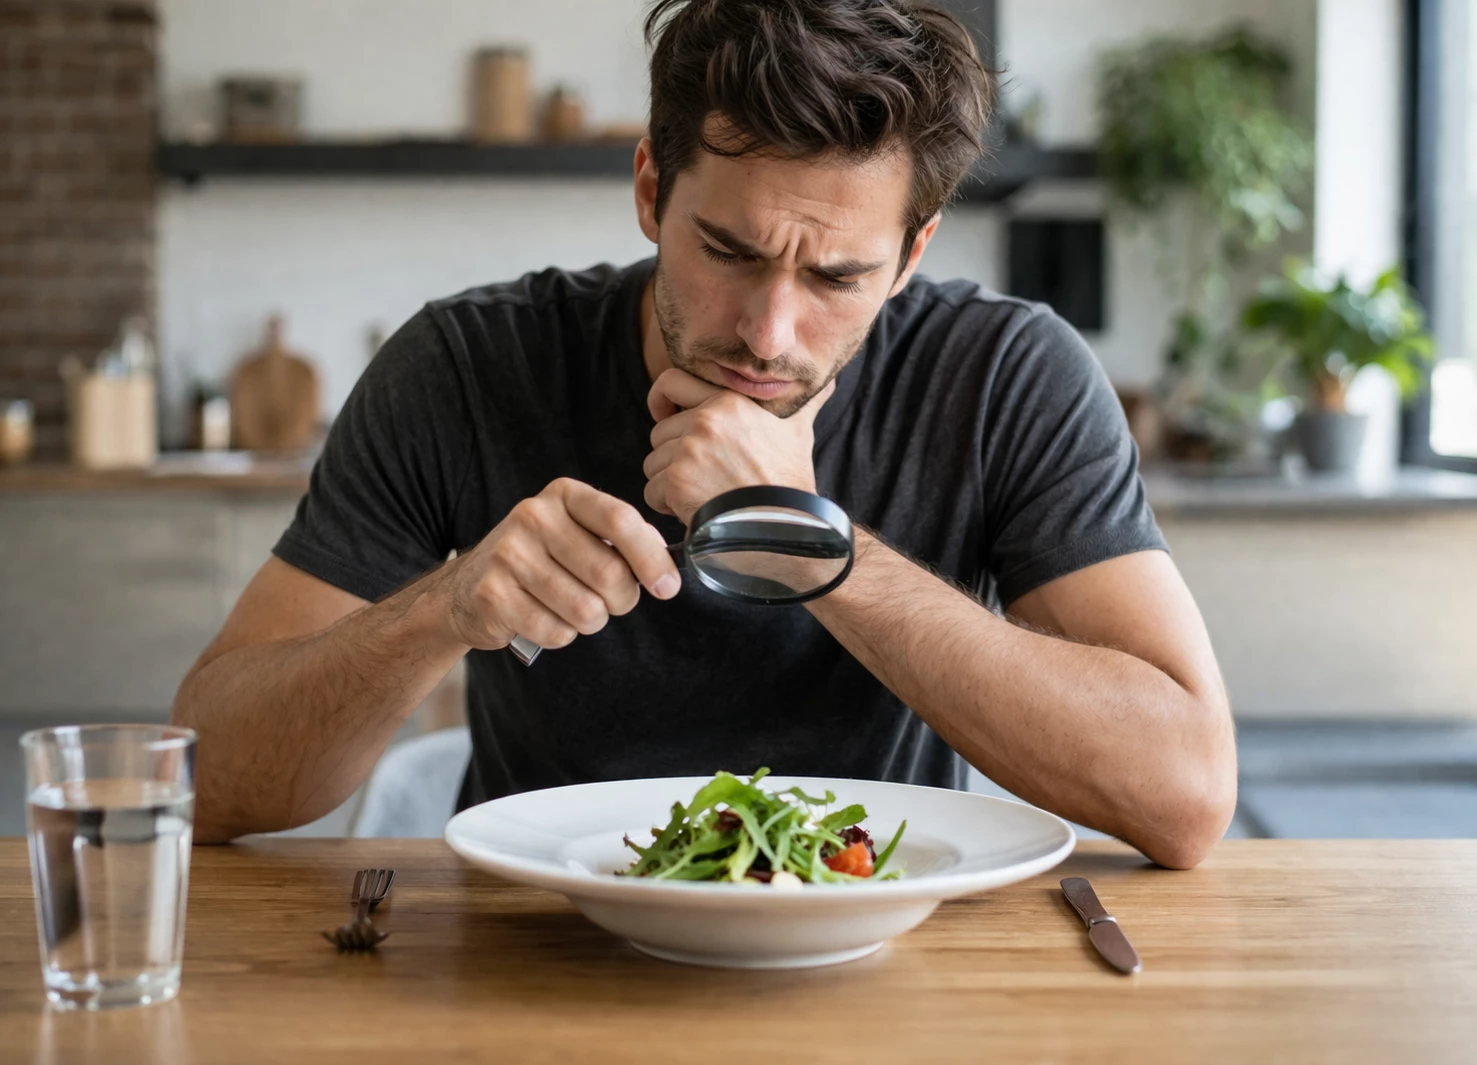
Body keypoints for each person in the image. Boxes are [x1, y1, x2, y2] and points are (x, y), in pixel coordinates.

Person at [173, 0, 1235, 868]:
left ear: (911, 256)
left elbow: (1185, 796)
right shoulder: (468, 365)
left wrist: (819, 548)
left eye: (835, 276)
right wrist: (444, 610)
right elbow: (205, 782)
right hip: (540, 957)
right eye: (726, 250)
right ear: (648, 188)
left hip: (887, 950)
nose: (768, 334)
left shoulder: (1006, 376)